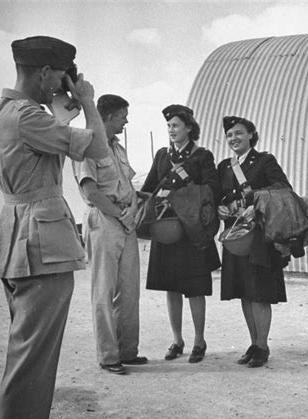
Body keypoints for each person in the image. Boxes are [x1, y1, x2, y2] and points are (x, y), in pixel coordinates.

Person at [0, 36, 108, 419]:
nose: (63, 84)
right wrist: (89, 102)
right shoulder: (26, 117)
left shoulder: (7, 112)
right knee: (30, 361)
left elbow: (48, 137)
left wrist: (64, 112)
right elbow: (97, 148)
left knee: (30, 355)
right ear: (42, 73)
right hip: (41, 246)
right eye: (59, 76)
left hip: (19, 238)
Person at [72, 94, 147, 375]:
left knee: (129, 291)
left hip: (126, 221)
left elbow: (129, 185)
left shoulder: (118, 147)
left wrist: (134, 208)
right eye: (122, 116)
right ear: (108, 116)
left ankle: (127, 350)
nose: (126, 121)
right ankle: (108, 355)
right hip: (104, 220)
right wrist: (120, 214)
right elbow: (91, 191)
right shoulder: (87, 147)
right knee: (104, 291)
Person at [141, 105, 221, 363]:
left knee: (195, 287)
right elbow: (149, 188)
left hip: (191, 231)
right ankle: (177, 340)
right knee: (171, 287)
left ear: (189, 128)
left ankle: (199, 341)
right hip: (167, 229)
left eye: (176, 125)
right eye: (169, 126)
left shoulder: (202, 156)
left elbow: (211, 190)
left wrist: (182, 189)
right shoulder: (163, 155)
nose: (171, 130)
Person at [218, 116, 292, 368]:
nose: (233, 138)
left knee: (259, 292)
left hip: (260, 235)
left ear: (251, 135)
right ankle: (253, 343)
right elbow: (220, 196)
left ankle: (262, 346)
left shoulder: (264, 161)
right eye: (229, 135)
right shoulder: (224, 167)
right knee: (244, 291)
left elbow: (283, 188)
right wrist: (222, 208)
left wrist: (255, 204)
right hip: (236, 236)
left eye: (239, 133)